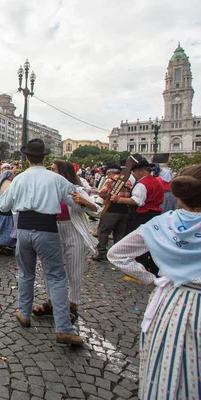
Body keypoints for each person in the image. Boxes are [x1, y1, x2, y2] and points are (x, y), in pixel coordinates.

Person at [107, 164, 201, 400]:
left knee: (167, 368)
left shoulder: (165, 223)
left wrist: (153, 280)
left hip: (174, 301)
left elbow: (117, 254)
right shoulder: (155, 192)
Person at [0, 139, 83, 346]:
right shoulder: (56, 179)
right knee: (55, 278)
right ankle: (63, 328)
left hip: (24, 230)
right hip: (47, 229)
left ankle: (24, 314)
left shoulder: (19, 179)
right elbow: (77, 202)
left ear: (26, 157)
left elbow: (3, 206)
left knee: (26, 274)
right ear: (45, 157)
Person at [33, 160, 100, 323]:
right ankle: (51, 302)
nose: (51, 172)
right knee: (50, 268)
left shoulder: (75, 189)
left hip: (73, 230)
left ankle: (72, 305)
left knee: (74, 269)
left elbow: (98, 211)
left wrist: (85, 202)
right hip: (53, 230)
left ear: (64, 172)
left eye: (54, 169)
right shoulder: (48, 189)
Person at [110, 154, 163, 275]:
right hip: (155, 215)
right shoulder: (156, 181)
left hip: (142, 215)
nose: (133, 174)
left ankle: (141, 268)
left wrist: (119, 199)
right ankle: (153, 267)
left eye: (134, 172)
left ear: (141, 171)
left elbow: (138, 201)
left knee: (140, 242)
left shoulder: (142, 184)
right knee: (151, 242)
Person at [93, 164, 130, 261]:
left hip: (112, 208)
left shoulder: (110, 180)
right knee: (119, 233)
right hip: (125, 209)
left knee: (103, 231)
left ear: (111, 173)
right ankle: (118, 254)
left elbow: (102, 193)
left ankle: (101, 253)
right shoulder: (128, 181)